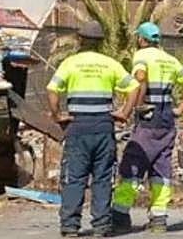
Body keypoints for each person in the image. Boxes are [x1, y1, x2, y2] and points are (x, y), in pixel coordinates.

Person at [47, 30, 141, 238]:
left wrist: (57, 115)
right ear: (101, 42)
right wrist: (124, 112)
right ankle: (101, 226)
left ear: (80, 40)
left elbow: (52, 90)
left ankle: (70, 227)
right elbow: (134, 87)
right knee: (103, 178)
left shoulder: (70, 63)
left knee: (74, 178)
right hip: (103, 129)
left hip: (78, 128)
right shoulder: (110, 64)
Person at [111, 22, 183, 234]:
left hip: (149, 119)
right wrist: (179, 109)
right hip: (167, 118)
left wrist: (138, 106)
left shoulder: (142, 56)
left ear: (141, 39)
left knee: (133, 164)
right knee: (161, 167)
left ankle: (120, 215)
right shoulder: (170, 59)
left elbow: (140, 77)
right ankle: (159, 218)